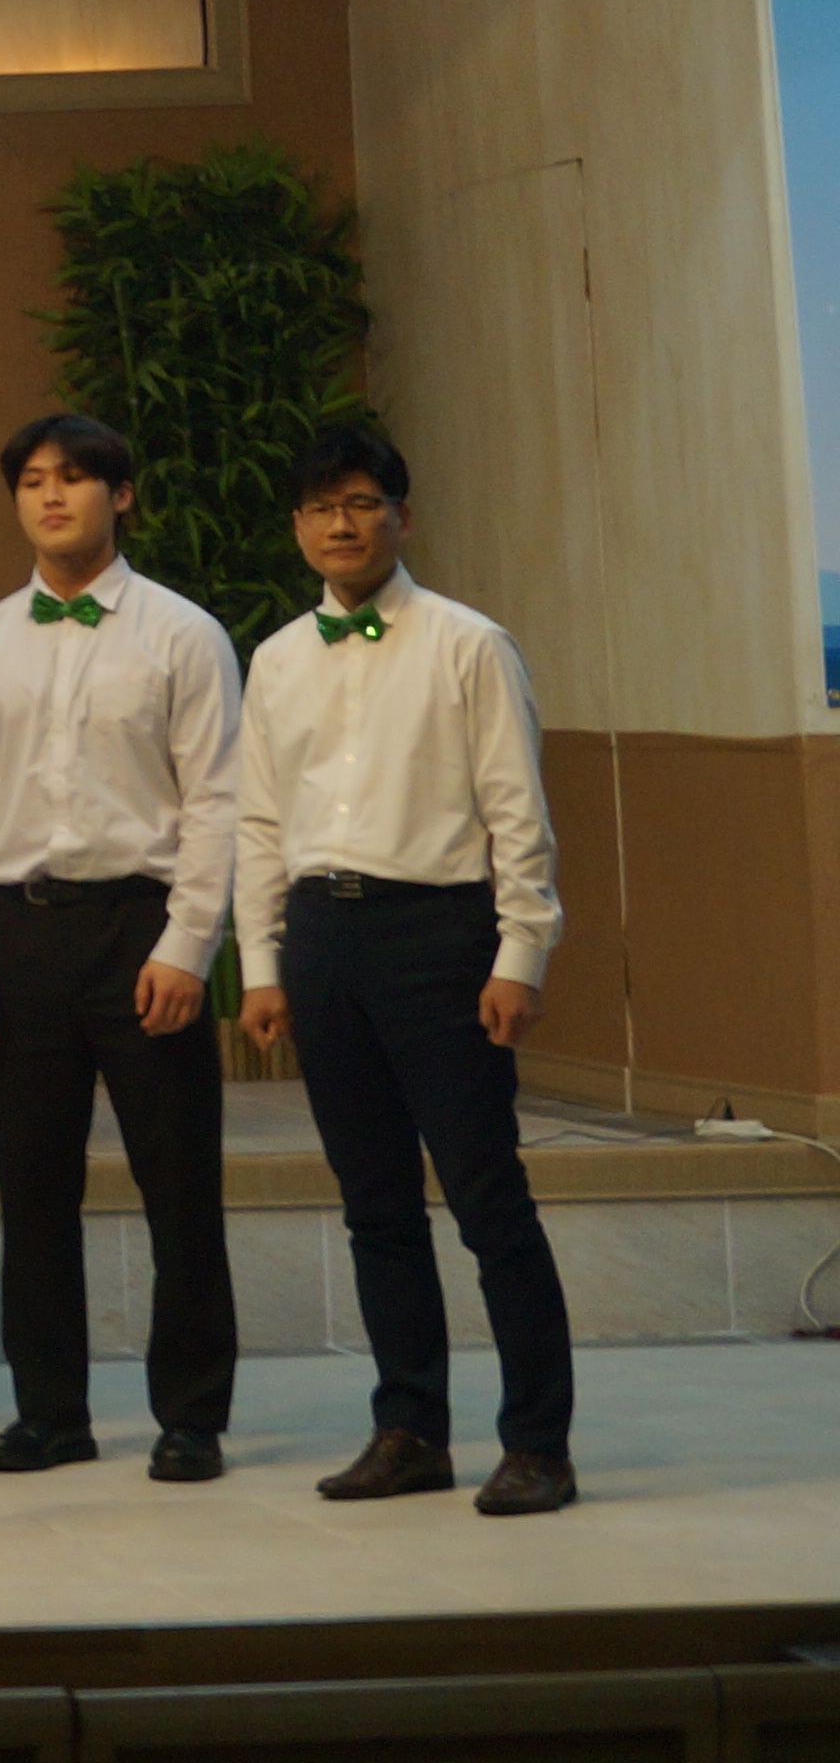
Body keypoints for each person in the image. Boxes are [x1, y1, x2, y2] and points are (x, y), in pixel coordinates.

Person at [234, 428, 576, 1516]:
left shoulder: (470, 644)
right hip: (322, 938)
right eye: (319, 508)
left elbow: (517, 812)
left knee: (487, 1199)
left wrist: (520, 952)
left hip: (439, 935)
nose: (340, 524)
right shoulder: (277, 658)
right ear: (297, 527)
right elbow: (258, 821)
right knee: (374, 1205)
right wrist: (262, 964)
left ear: (401, 517)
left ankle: (538, 1445)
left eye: (360, 503)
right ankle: (409, 1429)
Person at [0, 412, 241, 1484]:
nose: (52, 496)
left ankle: (191, 1415)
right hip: (22, 932)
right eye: (33, 480)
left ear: (123, 495)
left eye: (73, 478)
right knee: (31, 1191)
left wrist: (188, 945)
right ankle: (49, 1412)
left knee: (178, 1186)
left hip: (141, 928)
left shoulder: (183, 634)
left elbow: (217, 800)